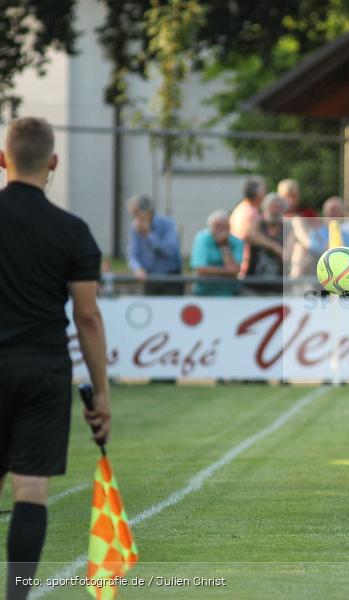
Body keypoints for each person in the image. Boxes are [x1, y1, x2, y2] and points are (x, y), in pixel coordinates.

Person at [0, 117, 110, 600]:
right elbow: (87, 317)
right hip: (43, 368)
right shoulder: (71, 231)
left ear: (3, 160)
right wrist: (101, 394)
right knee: (30, 489)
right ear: (54, 163)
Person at [126, 194, 183, 295]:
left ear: (148, 211)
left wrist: (149, 235)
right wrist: (137, 268)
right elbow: (132, 255)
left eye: (136, 213)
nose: (134, 217)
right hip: (149, 279)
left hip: (170, 279)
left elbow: (170, 251)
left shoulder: (168, 224)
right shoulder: (135, 228)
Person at [229, 176, 283, 274]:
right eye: (264, 189)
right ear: (257, 193)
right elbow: (249, 235)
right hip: (246, 265)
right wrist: (275, 247)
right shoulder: (248, 212)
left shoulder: (246, 208)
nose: (266, 192)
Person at [190, 210, 244, 296]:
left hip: (229, 292)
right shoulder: (202, 238)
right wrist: (228, 272)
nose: (221, 231)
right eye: (218, 227)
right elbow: (200, 269)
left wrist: (224, 246)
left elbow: (235, 270)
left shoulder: (237, 242)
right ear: (210, 227)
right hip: (203, 292)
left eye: (225, 227)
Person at [246, 193, 285, 295]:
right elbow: (251, 236)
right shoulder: (257, 224)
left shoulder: (286, 228)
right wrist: (274, 247)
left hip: (278, 287)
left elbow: (287, 255)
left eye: (279, 207)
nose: (276, 210)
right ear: (265, 207)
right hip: (254, 286)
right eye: (273, 206)